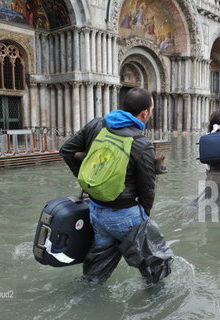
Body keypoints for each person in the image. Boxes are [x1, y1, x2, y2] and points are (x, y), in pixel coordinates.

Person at [59, 87, 172, 283]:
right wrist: (143, 218)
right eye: (151, 110)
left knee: (96, 273)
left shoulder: (96, 125)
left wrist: (86, 178)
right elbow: (148, 188)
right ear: (145, 112)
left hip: (96, 212)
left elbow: (66, 150)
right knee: (158, 268)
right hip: (126, 215)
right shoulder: (141, 141)